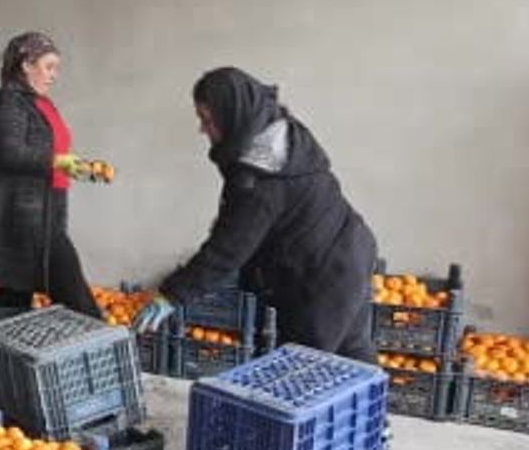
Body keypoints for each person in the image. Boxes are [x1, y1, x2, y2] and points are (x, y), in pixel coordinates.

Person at [135, 67, 378, 363]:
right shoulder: (275, 128)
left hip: (322, 276)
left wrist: (172, 295)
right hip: (351, 250)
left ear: (231, 114)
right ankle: (372, 409)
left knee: (303, 371)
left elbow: (227, 251)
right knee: (353, 358)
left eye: (207, 120)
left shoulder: (260, 173)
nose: (203, 130)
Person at [0, 32, 103, 319]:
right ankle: (110, 348)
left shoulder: (39, 103)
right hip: (26, 217)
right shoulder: (6, 103)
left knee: (15, 292)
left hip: (50, 207)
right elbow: (9, 153)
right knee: (77, 298)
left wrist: (75, 166)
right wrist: (58, 161)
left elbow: (52, 154)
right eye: (49, 66)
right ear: (26, 65)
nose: (54, 75)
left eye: (56, 68)